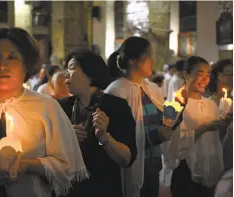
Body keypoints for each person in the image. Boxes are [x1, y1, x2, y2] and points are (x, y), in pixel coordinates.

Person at [0, 27, 88, 197]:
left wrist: (28, 165)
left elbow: (66, 164)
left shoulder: (47, 107)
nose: (2, 65)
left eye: (12, 57)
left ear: (27, 64)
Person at [58, 49, 137, 197]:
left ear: (91, 74)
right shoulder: (61, 107)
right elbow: (47, 151)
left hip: (104, 188)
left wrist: (104, 137)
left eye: (72, 68)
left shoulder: (116, 107)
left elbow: (127, 159)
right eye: (66, 69)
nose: (66, 74)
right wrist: (66, 139)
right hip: (68, 189)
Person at [105, 37, 173, 197]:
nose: (152, 61)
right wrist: (155, 136)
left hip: (153, 163)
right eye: (148, 56)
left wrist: (175, 116)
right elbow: (119, 135)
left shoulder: (152, 88)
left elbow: (162, 120)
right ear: (133, 61)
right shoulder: (116, 91)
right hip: (131, 165)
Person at [168, 56, 227, 197]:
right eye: (200, 75)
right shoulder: (174, 105)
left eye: (207, 75)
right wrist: (204, 128)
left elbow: (215, 141)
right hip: (185, 171)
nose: (205, 80)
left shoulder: (210, 104)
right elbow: (173, 144)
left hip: (208, 171)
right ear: (186, 74)